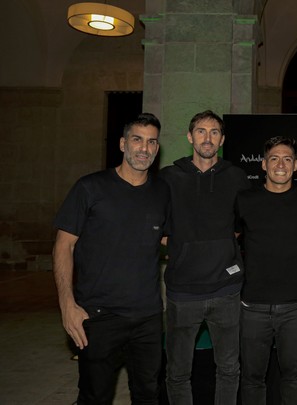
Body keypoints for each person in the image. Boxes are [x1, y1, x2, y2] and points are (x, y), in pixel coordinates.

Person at [52, 113, 169, 404]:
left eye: (151, 141)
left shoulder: (162, 192)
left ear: (157, 148)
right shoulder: (90, 188)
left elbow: (170, 239)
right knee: (94, 396)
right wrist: (67, 305)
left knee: (149, 394)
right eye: (137, 139)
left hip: (148, 316)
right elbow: (63, 246)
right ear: (122, 143)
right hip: (98, 316)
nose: (144, 148)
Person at [161, 110, 251, 405]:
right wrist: (182, 248)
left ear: (222, 140)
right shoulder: (168, 178)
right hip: (182, 292)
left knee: (228, 368)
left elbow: (242, 226)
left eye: (214, 132)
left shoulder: (237, 177)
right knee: (177, 371)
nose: (207, 138)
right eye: (201, 131)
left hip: (226, 290)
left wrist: (219, 249)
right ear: (190, 137)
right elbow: (157, 226)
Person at [236, 136, 297, 405]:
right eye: (274, 158)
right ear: (263, 164)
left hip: (295, 306)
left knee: (294, 377)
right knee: (252, 378)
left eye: (287, 159)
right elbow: (227, 242)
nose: (280, 164)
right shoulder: (244, 200)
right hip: (253, 306)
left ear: (296, 165)